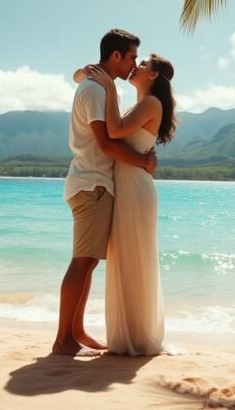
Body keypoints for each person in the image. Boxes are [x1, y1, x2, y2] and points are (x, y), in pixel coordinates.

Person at [53, 29, 157, 357]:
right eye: (130, 57)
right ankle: (63, 340)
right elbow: (106, 142)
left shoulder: (97, 85)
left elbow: (80, 76)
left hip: (92, 183)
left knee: (88, 263)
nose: (132, 64)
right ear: (115, 56)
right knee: (82, 262)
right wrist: (143, 161)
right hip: (92, 183)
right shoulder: (98, 90)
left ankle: (77, 331)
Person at [83, 53, 176, 356]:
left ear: (154, 76)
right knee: (125, 258)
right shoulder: (138, 105)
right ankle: (127, 336)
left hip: (136, 189)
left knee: (135, 257)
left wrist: (109, 87)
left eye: (145, 64)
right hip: (127, 187)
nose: (138, 66)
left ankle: (137, 336)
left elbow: (114, 131)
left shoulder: (151, 104)